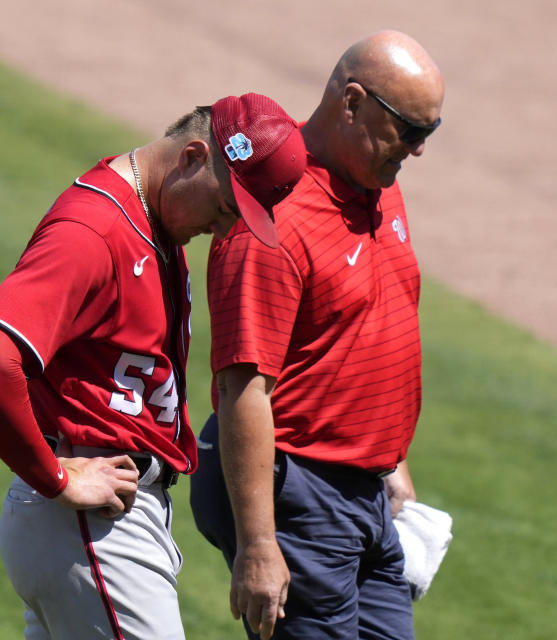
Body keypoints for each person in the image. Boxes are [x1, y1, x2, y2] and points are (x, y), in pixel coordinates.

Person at [0, 93, 306, 640]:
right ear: (192, 157)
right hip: (88, 526)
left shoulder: (154, 222)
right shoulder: (93, 232)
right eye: (223, 206)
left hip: (98, 525)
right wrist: (53, 477)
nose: (222, 227)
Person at [189, 31, 445, 640]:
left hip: (366, 492)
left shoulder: (376, 180)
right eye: (409, 130)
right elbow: (242, 388)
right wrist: (257, 544)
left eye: (428, 133)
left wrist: (392, 463)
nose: (416, 151)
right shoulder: (272, 219)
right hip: (299, 492)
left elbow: (366, 324)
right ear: (352, 103)